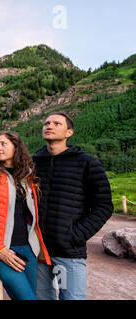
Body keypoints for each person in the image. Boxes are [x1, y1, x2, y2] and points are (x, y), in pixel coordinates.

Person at [33, 112, 113, 300]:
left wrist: (76, 235)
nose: (49, 126)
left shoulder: (87, 163)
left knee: (72, 298)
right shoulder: (34, 163)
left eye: (56, 123)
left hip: (67, 254)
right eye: (46, 123)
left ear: (69, 132)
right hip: (39, 253)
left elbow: (104, 205)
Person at [0, 131, 51, 300]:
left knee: (28, 295)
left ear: (16, 147)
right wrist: (1, 250)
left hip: (28, 248)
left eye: (3, 144)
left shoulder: (26, 176)